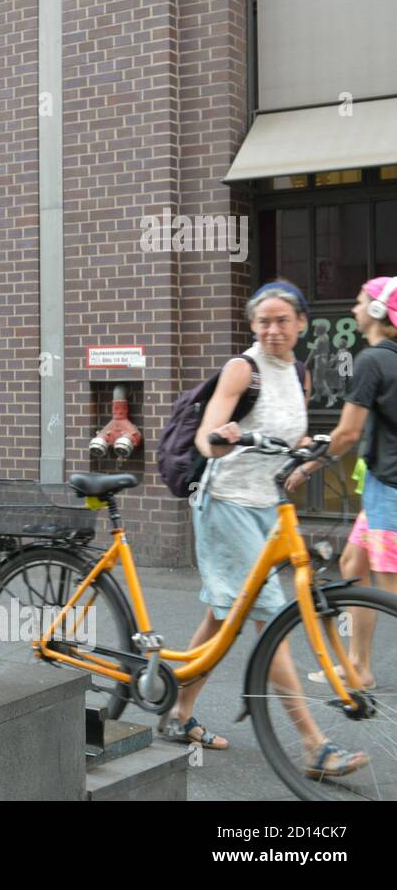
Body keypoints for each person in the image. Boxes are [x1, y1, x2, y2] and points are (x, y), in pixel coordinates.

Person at [163, 279, 367, 779]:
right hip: (226, 501)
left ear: (301, 324)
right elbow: (210, 437)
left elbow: (286, 432)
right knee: (270, 617)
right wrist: (224, 436)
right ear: (253, 326)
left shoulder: (297, 373)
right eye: (264, 321)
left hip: (267, 505)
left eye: (283, 320)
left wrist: (309, 450)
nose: (273, 329)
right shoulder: (242, 369)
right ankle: (313, 745)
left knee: (222, 613)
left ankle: (177, 712)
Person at [288, 276, 397, 689]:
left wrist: (307, 467)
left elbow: (348, 433)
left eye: (358, 302)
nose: (353, 310)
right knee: (353, 565)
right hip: (382, 486)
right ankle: (359, 667)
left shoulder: (372, 361)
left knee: (389, 592)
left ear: (376, 311)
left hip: (389, 487)